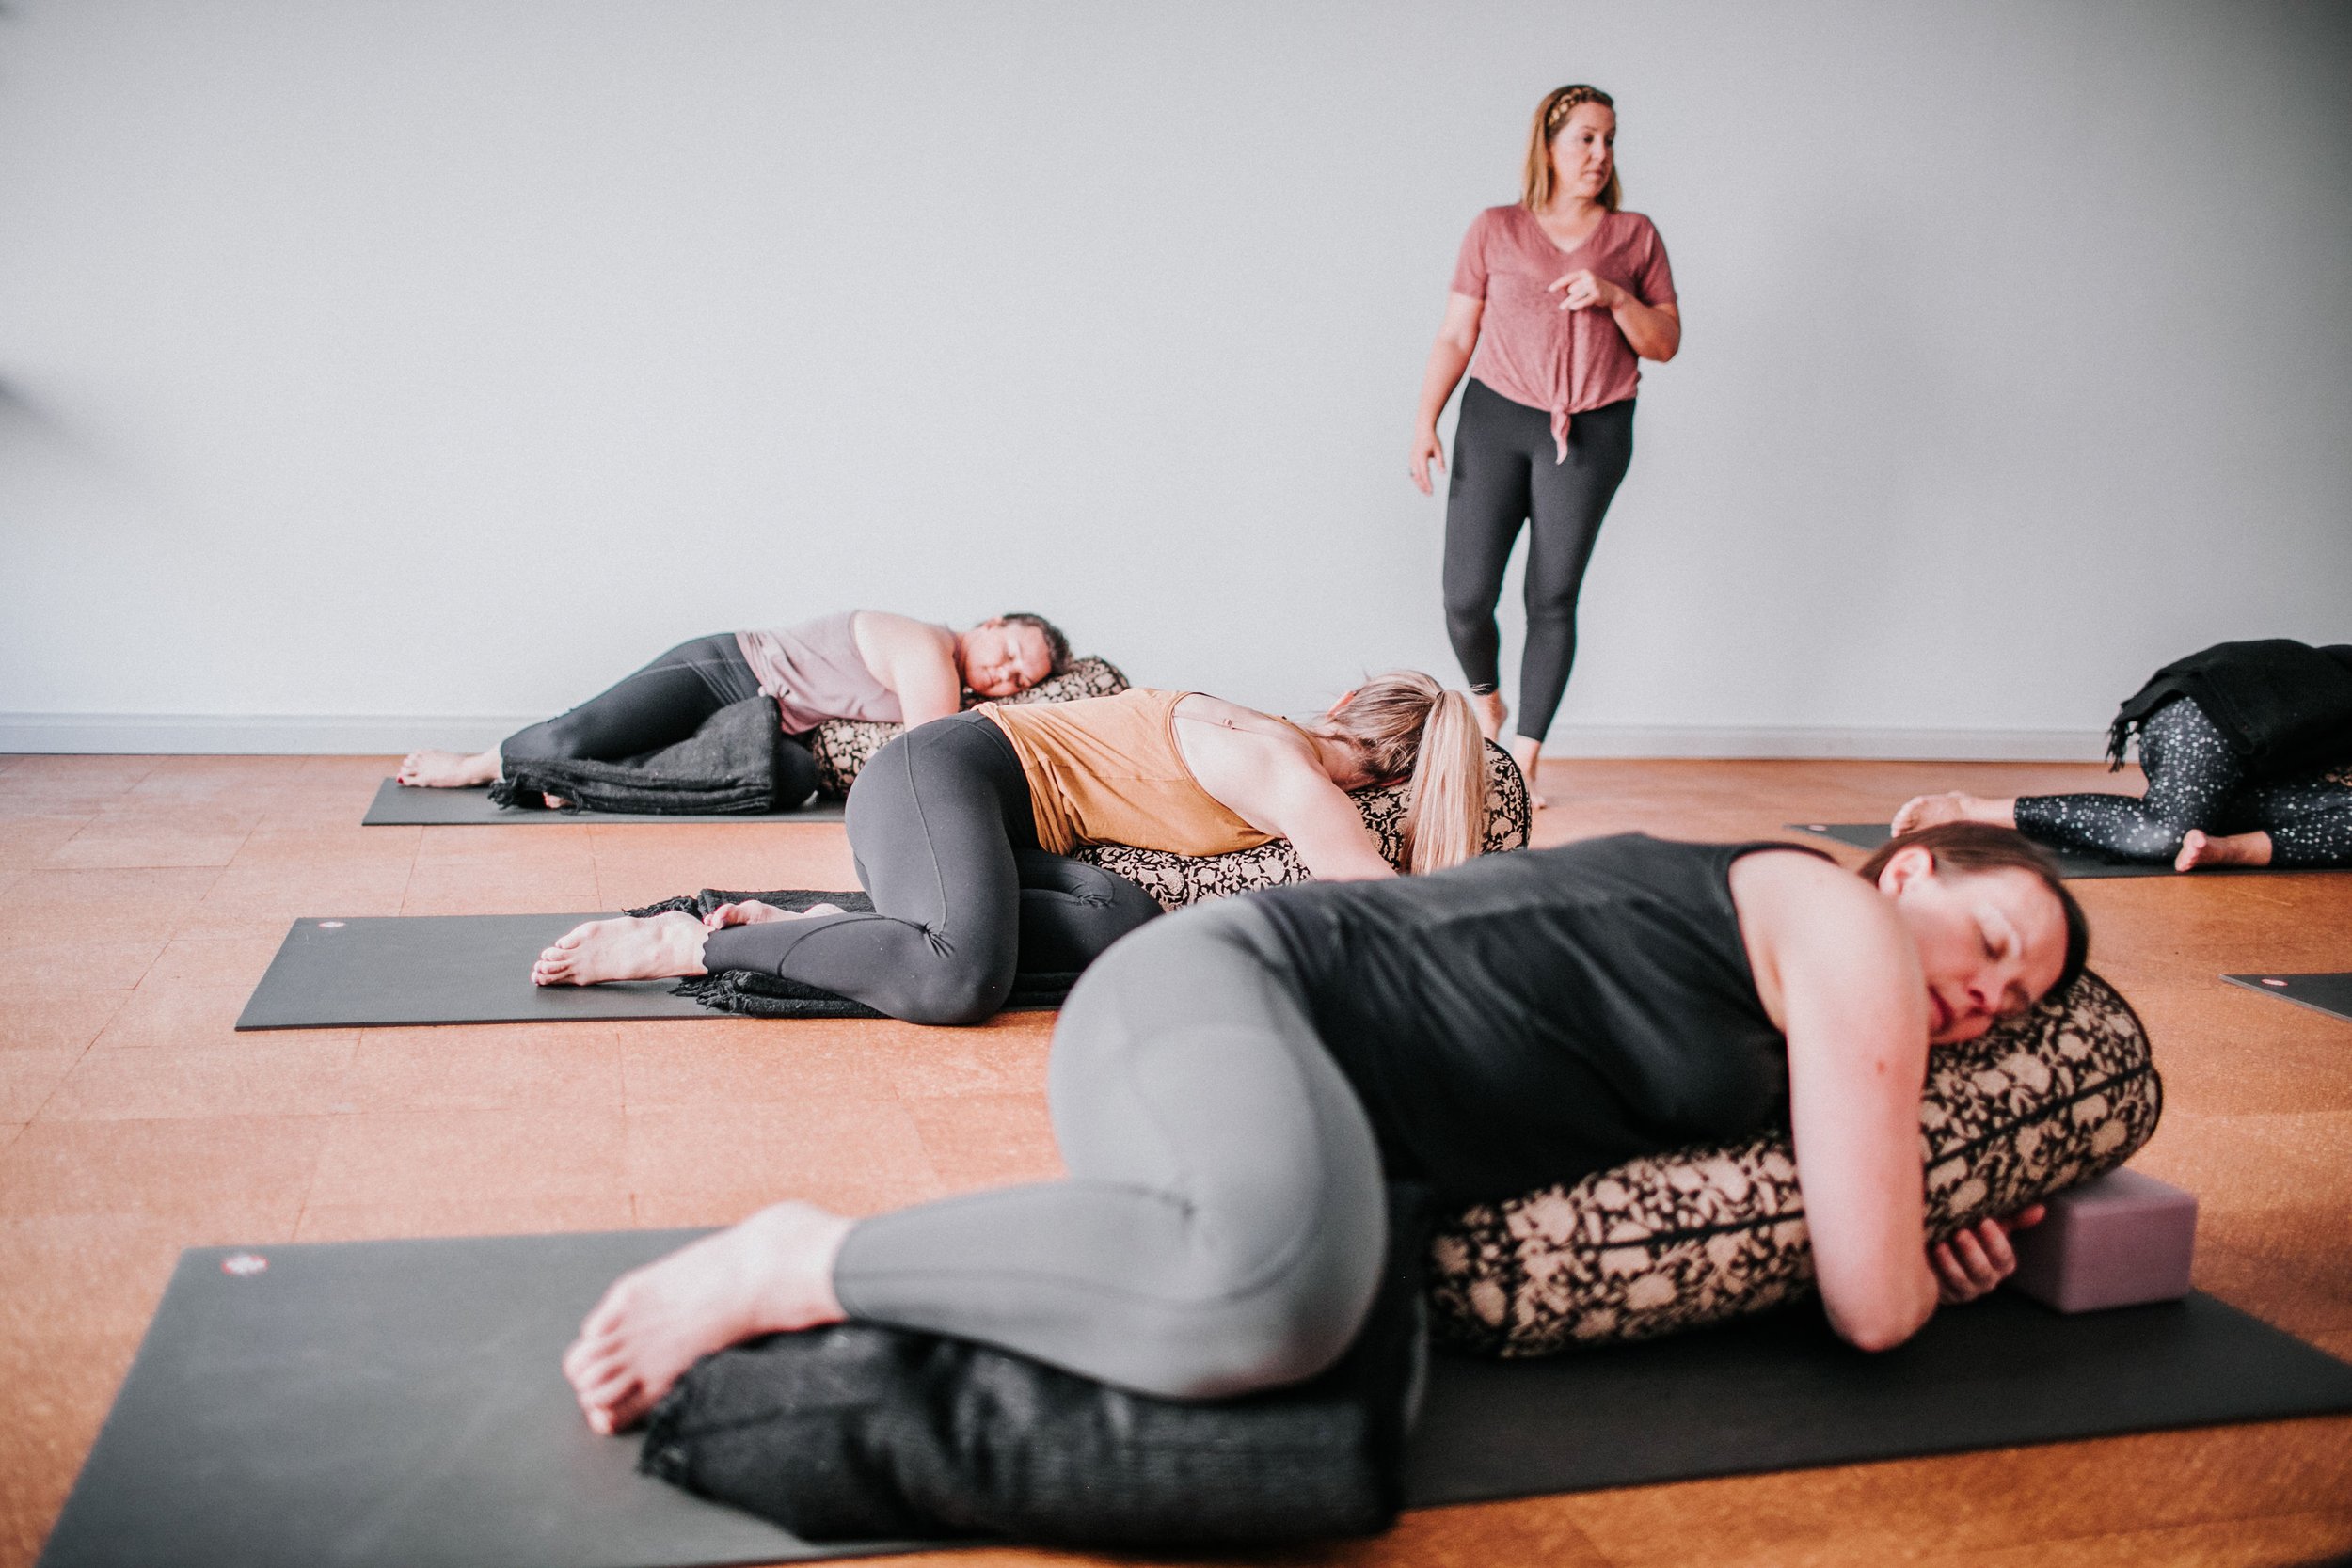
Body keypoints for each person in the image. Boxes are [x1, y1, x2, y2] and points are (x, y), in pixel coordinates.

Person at [557, 821, 2085, 1433]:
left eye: (2026, 1001)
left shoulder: (1808, 994)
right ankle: (795, 1260)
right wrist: (1922, 1232)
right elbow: (1871, 1301)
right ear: (1907, 868)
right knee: (1280, 1298)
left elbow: (1848, 1223)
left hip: (1248, 1095)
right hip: (1223, 995)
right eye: (1997, 938)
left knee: (1296, 1303)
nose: (1998, 996)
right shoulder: (1839, 922)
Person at [531, 671, 1489, 1026]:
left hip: (990, 826)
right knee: (958, 982)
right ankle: (693, 942)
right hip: (937, 774)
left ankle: (826, 927)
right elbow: (1369, 889)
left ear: (1345, 705)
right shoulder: (1289, 770)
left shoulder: (1275, 737)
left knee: (1120, 923)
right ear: (1392, 781)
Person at [1409, 83, 1681, 796]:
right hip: (1497, 417)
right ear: (1550, 146)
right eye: (1585, 138)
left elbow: (1665, 344)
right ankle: (1487, 696)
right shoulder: (1495, 228)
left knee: (1552, 594)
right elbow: (1455, 332)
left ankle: (1524, 758)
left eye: (1609, 139)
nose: (1600, 154)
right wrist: (1423, 422)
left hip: (1593, 429)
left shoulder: (1635, 237)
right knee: (1465, 595)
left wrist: (1616, 296)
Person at [394, 610, 1070, 807]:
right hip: (725, 672)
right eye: (1008, 650)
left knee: (793, 777)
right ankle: (481, 762)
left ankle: (586, 785)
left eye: (1020, 678)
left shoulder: (961, 682)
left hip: (759, 725)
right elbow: (930, 746)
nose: (1006, 672)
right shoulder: (927, 648)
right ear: (987, 622)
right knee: (580, 735)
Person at [1896, 639, 2352, 871]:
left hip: (2253, 748)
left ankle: (2225, 847)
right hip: (2207, 711)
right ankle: (1970, 809)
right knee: (2164, 835)